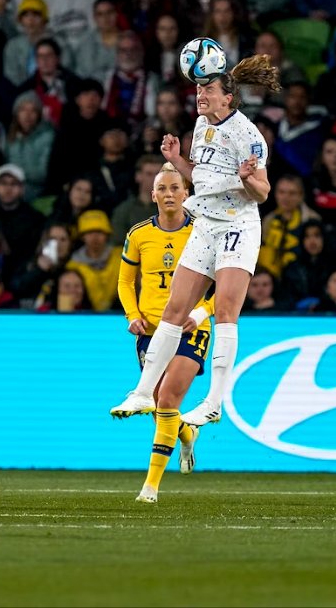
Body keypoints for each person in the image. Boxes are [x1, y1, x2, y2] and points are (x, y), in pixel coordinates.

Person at [110, 54, 278, 426]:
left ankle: (214, 401)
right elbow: (200, 177)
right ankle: (142, 391)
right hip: (205, 223)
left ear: (227, 98)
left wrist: (248, 177)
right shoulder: (201, 125)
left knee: (225, 314)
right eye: (200, 87)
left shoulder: (249, 136)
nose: (201, 94)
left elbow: (263, 192)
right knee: (175, 310)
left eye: (209, 89)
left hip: (237, 225)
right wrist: (177, 159)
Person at [118, 162, 214, 503]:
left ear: (187, 194)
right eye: (163, 188)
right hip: (152, 330)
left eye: (176, 188)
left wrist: (203, 311)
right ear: (153, 194)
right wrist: (132, 315)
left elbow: (228, 282)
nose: (170, 194)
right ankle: (187, 435)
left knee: (169, 399)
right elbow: (126, 281)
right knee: (162, 405)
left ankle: (150, 486)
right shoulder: (139, 234)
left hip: (190, 329)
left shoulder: (204, 232)